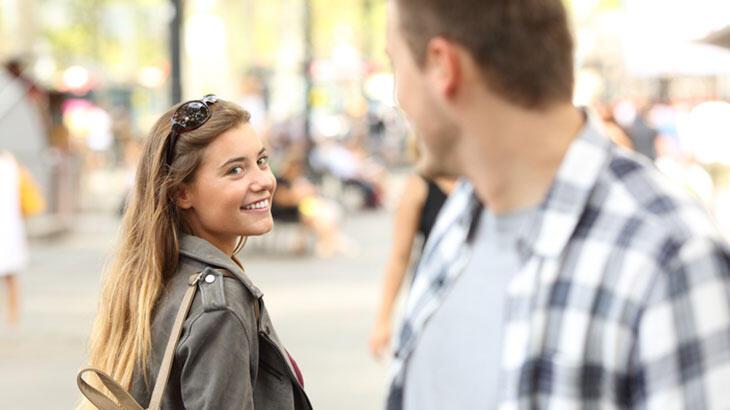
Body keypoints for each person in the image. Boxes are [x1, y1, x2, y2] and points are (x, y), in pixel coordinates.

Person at [385, 1, 730, 409]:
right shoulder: (461, 216)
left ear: (443, 65)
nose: (397, 97)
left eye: (395, 65)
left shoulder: (669, 255)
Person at [80, 96, 312, 409]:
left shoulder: (157, 274)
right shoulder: (220, 305)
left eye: (261, 161)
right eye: (235, 171)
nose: (263, 181)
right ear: (182, 193)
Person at [369, 173, 455, 359]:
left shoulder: (481, 180)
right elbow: (400, 256)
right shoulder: (419, 185)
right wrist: (383, 319)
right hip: (433, 299)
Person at [272, 153, 352, 257]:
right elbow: (282, 200)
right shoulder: (280, 181)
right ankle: (327, 241)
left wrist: (303, 193)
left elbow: (310, 192)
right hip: (286, 211)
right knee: (314, 214)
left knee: (320, 213)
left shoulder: (297, 180)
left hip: (301, 208)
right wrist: (299, 195)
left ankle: (328, 240)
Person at [0, 151, 28, 327]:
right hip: (11, 226)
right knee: (11, 277)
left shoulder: (10, 164)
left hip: (9, 227)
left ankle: (12, 315)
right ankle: (13, 315)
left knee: (10, 275)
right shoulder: (12, 164)